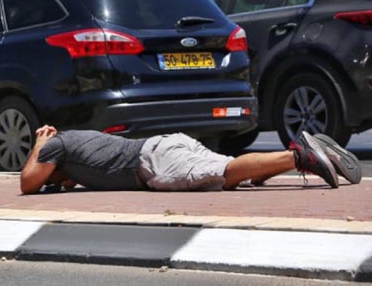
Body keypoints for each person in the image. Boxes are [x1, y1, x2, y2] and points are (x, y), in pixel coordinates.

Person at [20, 125, 362, 194]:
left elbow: (27, 183)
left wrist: (38, 143)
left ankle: (300, 155)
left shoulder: (54, 144)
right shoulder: (80, 145)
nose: (58, 182)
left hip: (153, 161)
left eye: (54, 178)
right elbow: (58, 179)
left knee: (224, 174)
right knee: (229, 172)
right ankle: (297, 157)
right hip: (166, 143)